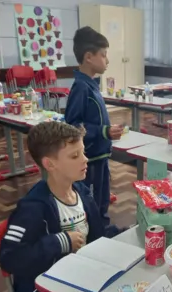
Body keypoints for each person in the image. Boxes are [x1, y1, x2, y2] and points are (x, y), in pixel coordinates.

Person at [0, 121, 112, 292]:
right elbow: (9, 258)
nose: (85, 160)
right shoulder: (34, 207)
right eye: (75, 156)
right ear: (50, 164)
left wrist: (134, 237)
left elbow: (99, 235)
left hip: (78, 279)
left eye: (83, 152)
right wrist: (59, 241)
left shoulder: (82, 191)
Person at [65, 26, 123, 229]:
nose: (107, 60)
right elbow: (73, 126)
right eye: (104, 55)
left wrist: (107, 130)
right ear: (89, 57)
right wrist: (103, 131)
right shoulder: (81, 87)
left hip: (100, 156)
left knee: (101, 199)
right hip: (89, 160)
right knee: (91, 204)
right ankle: (96, 239)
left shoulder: (91, 85)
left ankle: (103, 231)